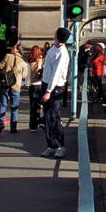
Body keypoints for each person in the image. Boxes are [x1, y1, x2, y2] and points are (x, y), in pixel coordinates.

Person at [39, 28, 71, 158]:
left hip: (55, 87)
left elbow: (56, 74)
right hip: (46, 83)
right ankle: (51, 145)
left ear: (58, 36)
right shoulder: (53, 48)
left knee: (54, 117)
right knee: (47, 117)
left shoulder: (62, 53)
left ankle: (60, 146)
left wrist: (48, 91)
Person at [0, 42, 29, 135]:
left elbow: (0, 66)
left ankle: (1, 123)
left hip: (5, 84)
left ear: (17, 49)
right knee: (14, 107)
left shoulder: (8, 56)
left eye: (13, 48)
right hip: (16, 86)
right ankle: (13, 128)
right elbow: (24, 76)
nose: (11, 49)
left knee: (3, 104)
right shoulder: (23, 62)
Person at [26, 45, 45, 130]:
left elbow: (27, 74)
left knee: (32, 105)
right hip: (40, 84)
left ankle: (33, 125)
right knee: (41, 104)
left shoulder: (29, 61)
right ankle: (41, 121)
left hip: (32, 85)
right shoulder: (41, 60)